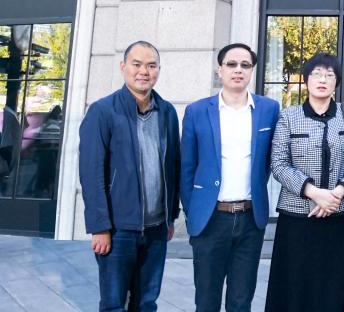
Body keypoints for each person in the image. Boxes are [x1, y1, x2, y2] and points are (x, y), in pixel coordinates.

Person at [79, 41, 181, 312]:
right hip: (118, 228)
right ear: (123, 67)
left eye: (151, 65)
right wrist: (99, 227)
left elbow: (173, 167)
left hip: (157, 228)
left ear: (158, 70)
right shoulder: (103, 111)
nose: (144, 71)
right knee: (114, 304)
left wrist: (171, 216)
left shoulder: (167, 112)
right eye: (137, 64)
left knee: (146, 303)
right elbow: (91, 173)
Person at [265, 52, 344, 312]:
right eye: (317, 74)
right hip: (297, 218)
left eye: (329, 75)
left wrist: (338, 192)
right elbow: (278, 163)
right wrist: (313, 192)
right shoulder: (289, 116)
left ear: (336, 82)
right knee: (293, 285)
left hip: (339, 214)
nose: (323, 79)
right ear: (306, 79)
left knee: (333, 285)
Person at [180, 43, 280, 312]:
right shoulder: (197, 111)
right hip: (211, 219)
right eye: (231, 64)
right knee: (206, 301)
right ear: (220, 70)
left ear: (252, 71)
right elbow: (187, 167)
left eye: (245, 65)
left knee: (241, 301)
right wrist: (194, 211)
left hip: (250, 219)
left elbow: (269, 161)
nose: (238, 70)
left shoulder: (269, 109)